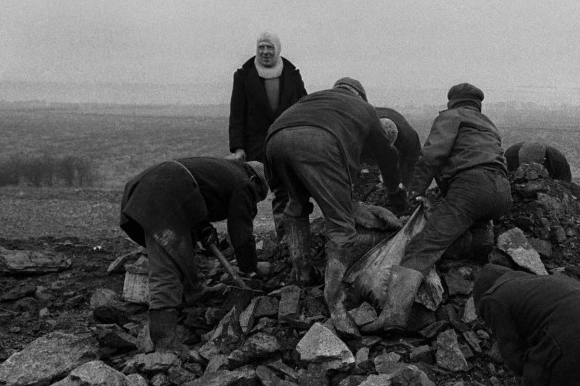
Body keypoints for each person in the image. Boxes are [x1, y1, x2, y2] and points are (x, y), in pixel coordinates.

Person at [364, 83, 512, 333]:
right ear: (478, 105)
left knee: (421, 248)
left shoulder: (451, 117)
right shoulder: (488, 125)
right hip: (502, 194)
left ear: (452, 102)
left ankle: (394, 316)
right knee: (466, 220)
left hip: (471, 188)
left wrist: (416, 192)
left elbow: (432, 155)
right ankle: (480, 242)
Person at [265, 77, 402, 334]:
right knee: (341, 228)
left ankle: (302, 273)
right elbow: (385, 153)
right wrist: (394, 188)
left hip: (274, 140)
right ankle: (335, 302)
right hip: (318, 142)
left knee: (296, 206)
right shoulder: (363, 108)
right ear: (360, 95)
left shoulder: (317, 98)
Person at [120, 158, 268, 351]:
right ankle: (165, 344)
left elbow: (192, 195)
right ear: (255, 181)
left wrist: (203, 228)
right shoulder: (244, 183)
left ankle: (193, 292)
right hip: (163, 196)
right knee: (166, 268)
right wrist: (251, 267)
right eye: (257, 197)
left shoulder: (225, 171)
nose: (253, 203)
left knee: (182, 246)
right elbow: (241, 231)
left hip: (147, 190)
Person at [228, 31, 307, 240]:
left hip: (286, 145)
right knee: (249, 194)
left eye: (269, 47)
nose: (265, 52)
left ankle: (284, 240)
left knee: (285, 194)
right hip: (255, 147)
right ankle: (244, 241)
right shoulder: (243, 76)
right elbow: (237, 114)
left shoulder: (292, 74)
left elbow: (304, 107)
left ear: (278, 50)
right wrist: (238, 147)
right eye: (261, 47)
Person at [375, 107, 422, 196]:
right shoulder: (365, 126)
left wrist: (406, 186)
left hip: (403, 142)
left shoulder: (410, 138)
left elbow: (412, 165)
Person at [504, 142, 572, 182]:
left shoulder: (558, 162)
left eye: (530, 168)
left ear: (543, 161)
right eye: (523, 166)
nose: (526, 170)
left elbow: (566, 185)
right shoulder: (510, 155)